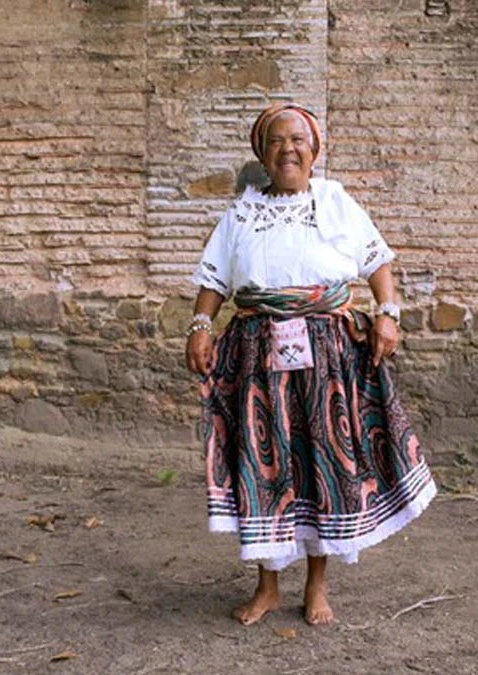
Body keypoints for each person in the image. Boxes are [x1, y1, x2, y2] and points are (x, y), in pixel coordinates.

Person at [185, 102, 436, 626]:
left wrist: (388, 315)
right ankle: (268, 587)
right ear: (262, 152)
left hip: (327, 351)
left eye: (298, 140)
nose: (288, 149)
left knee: (323, 459)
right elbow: (213, 280)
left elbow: (377, 262)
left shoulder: (336, 202)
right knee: (264, 463)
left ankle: (317, 585)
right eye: (277, 141)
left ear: (314, 149)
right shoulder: (240, 214)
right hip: (257, 352)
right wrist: (200, 327)